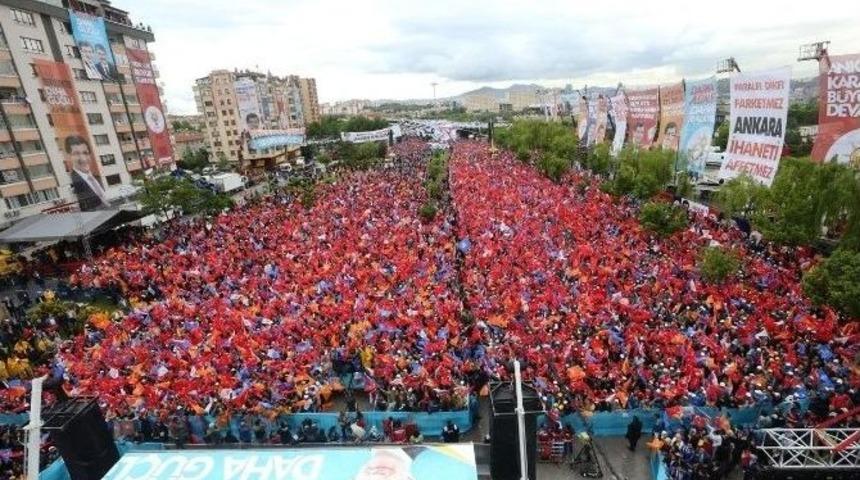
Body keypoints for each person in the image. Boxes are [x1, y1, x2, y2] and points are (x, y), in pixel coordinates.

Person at [66, 135, 109, 211]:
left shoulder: (97, 177)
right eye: (76, 153)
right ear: (69, 157)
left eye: (85, 153)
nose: (83, 158)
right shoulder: (75, 181)